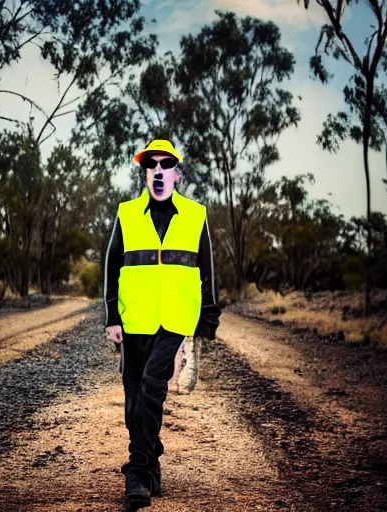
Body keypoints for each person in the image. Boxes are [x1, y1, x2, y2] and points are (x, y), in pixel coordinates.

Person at [103, 139, 221, 509]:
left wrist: (208, 317)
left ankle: (137, 473)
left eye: (164, 164)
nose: (157, 170)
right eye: (150, 165)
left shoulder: (195, 215)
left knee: (153, 389)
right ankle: (152, 463)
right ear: (145, 174)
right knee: (134, 400)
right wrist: (112, 316)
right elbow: (110, 266)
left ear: (176, 174)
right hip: (134, 319)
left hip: (174, 320)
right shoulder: (126, 214)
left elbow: (208, 269)